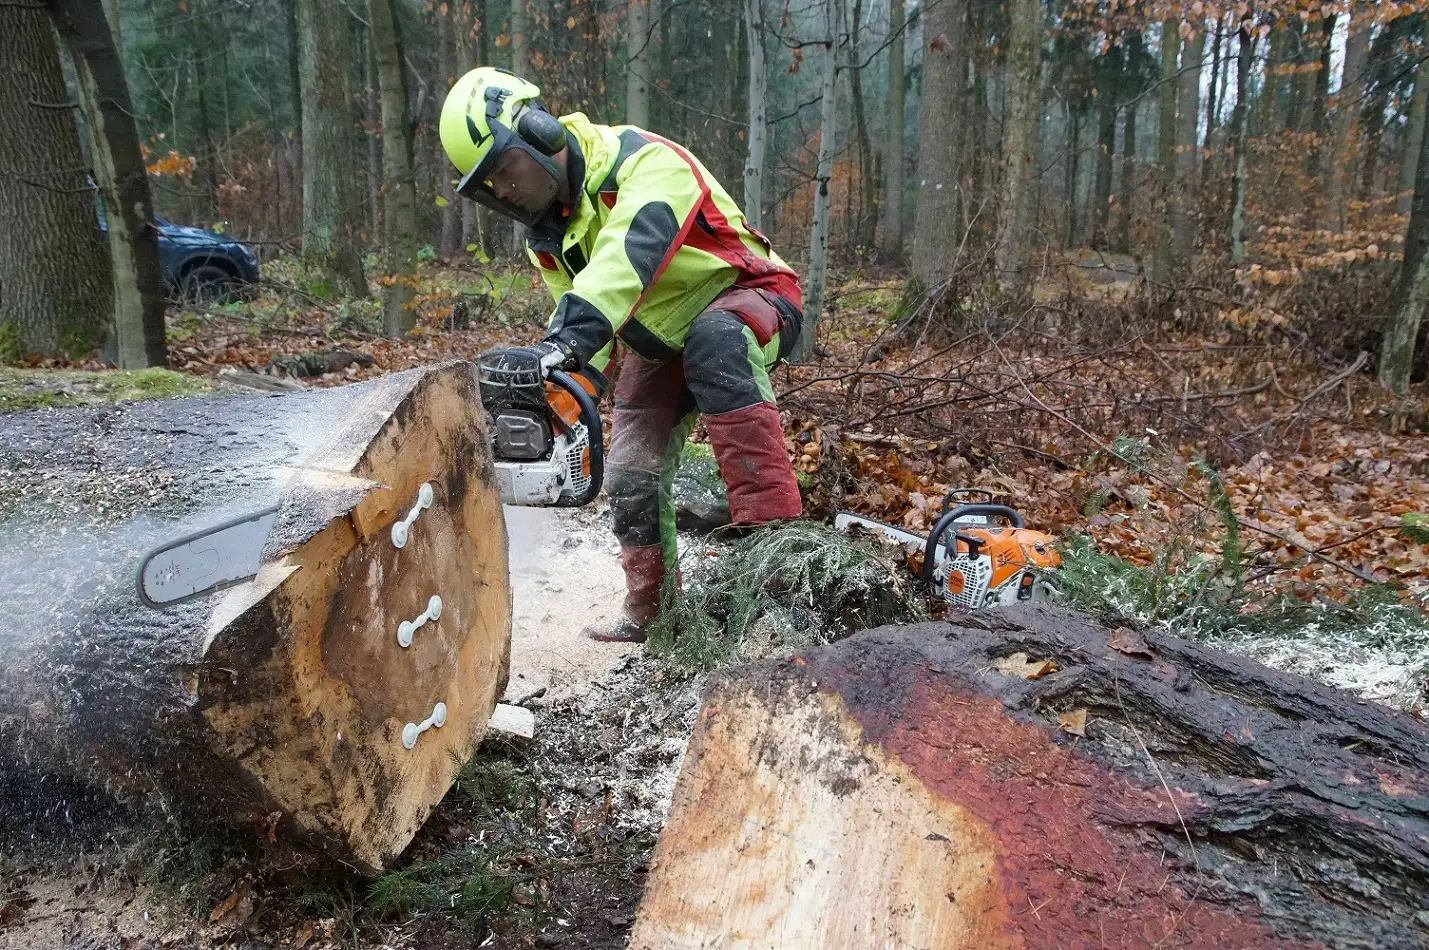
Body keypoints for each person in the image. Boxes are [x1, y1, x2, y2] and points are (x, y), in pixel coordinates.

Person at [440, 67, 804, 643]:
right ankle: (654, 612)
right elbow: (594, 338)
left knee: (715, 342)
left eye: (504, 170)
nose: (504, 192)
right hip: (662, 340)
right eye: (490, 186)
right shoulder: (552, 240)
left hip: (751, 298)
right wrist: (561, 383)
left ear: (539, 133)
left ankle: (779, 576)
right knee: (632, 462)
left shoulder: (645, 164)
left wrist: (566, 339)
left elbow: (631, 251)